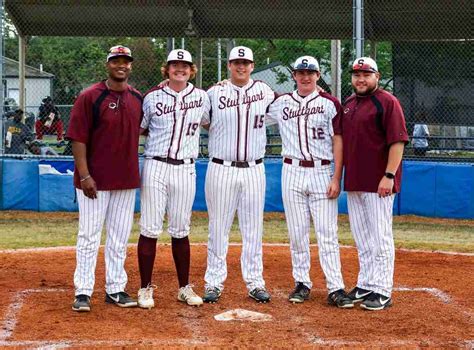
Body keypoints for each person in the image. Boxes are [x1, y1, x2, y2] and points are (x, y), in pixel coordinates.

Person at [266, 56, 353, 308]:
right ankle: (302, 283)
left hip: (321, 170)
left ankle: (335, 286)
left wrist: (337, 176)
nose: (305, 76)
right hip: (291, 170)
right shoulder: (281, 103)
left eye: (310, 72)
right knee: (297, 233)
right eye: (301, 72)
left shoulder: (329, 103)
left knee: (327, 233)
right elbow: (251, 104)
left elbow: (338, 140)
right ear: (294, 75)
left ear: (317, 75)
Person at [66, 45, 142, 312]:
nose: (121, 65)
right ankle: (83, 291)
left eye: (125, 61)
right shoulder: (90, 96)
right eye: (116, 61)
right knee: (89, 235)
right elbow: (77, 138)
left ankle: (115, 288)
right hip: (94, 181)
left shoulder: (137, 98)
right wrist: (84, 175)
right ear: (107, 64)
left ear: (131, 66)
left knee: (119, 238)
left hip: (126, 179)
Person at [137, 49, 210, 309]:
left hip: (185, 168)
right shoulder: (151, 97)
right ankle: (144, 288)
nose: (180, 69)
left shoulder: (203, 97)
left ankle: (184, 287)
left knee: (181, 229)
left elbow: (211, 123)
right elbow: (139, 128)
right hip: (156, 165)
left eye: (185, 65)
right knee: (150, 228)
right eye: (174, 65)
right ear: (166, 69)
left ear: (192, 70)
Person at [201, 46, 275, 303]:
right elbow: (197, 115)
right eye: (236, 62)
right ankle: (213, 282)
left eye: (245, 62)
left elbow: (289, 107)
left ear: (252, 66)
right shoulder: (214, 92)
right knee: (217, 228)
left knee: (253, 229)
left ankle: (255, 282)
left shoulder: (265, 92)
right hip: (221, 167)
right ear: (229, 65)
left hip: (255, 168)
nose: (241, 66)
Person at [342, 57, 408, 311]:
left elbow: (398, 142)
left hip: (379, 181)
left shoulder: (387, 102)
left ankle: (382, 289)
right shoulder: (349, 103)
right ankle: (366, 282)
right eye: (357, 74)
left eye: (366, 74)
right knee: (362, 237)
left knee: (380, 237)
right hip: (355, 180)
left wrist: (389, 176)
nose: (361, 79)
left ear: (377, 77)